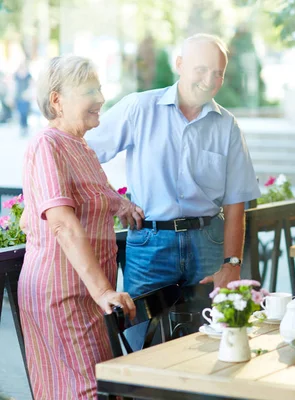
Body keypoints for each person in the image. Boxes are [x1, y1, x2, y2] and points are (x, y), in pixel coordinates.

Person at [85, 33, 261, 297]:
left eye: (218, 73)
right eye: (201, 69)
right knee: (142, 335)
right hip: (149, 243)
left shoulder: (228, 126)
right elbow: (83, 152)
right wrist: (115, 199)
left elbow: (236, 204)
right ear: (179, 64)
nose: (209, 80)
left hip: (209, 244)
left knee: (211, 333)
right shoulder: (139, 108)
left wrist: (232, 264)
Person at [19, 55, 142, 399]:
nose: (101, 98)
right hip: (63, 295)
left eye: (100, 88)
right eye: (90, 89)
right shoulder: (47, 144)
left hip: (89, 294)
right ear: (57, 99)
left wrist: (125, 206)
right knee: (87, 392)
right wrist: (103, 292)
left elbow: (97, 196)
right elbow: (62, 222)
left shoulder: (82, 148)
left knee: (99, 390)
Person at [14, 61, 32, 135]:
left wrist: (28, 93)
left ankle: (25, 127)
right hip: (18, 97)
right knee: (20, 113)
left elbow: (31, 85)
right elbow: (13, 85)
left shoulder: (28, 75)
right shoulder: (16, 75)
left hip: (26, 97)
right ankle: (22, 127)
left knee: (25, 113)